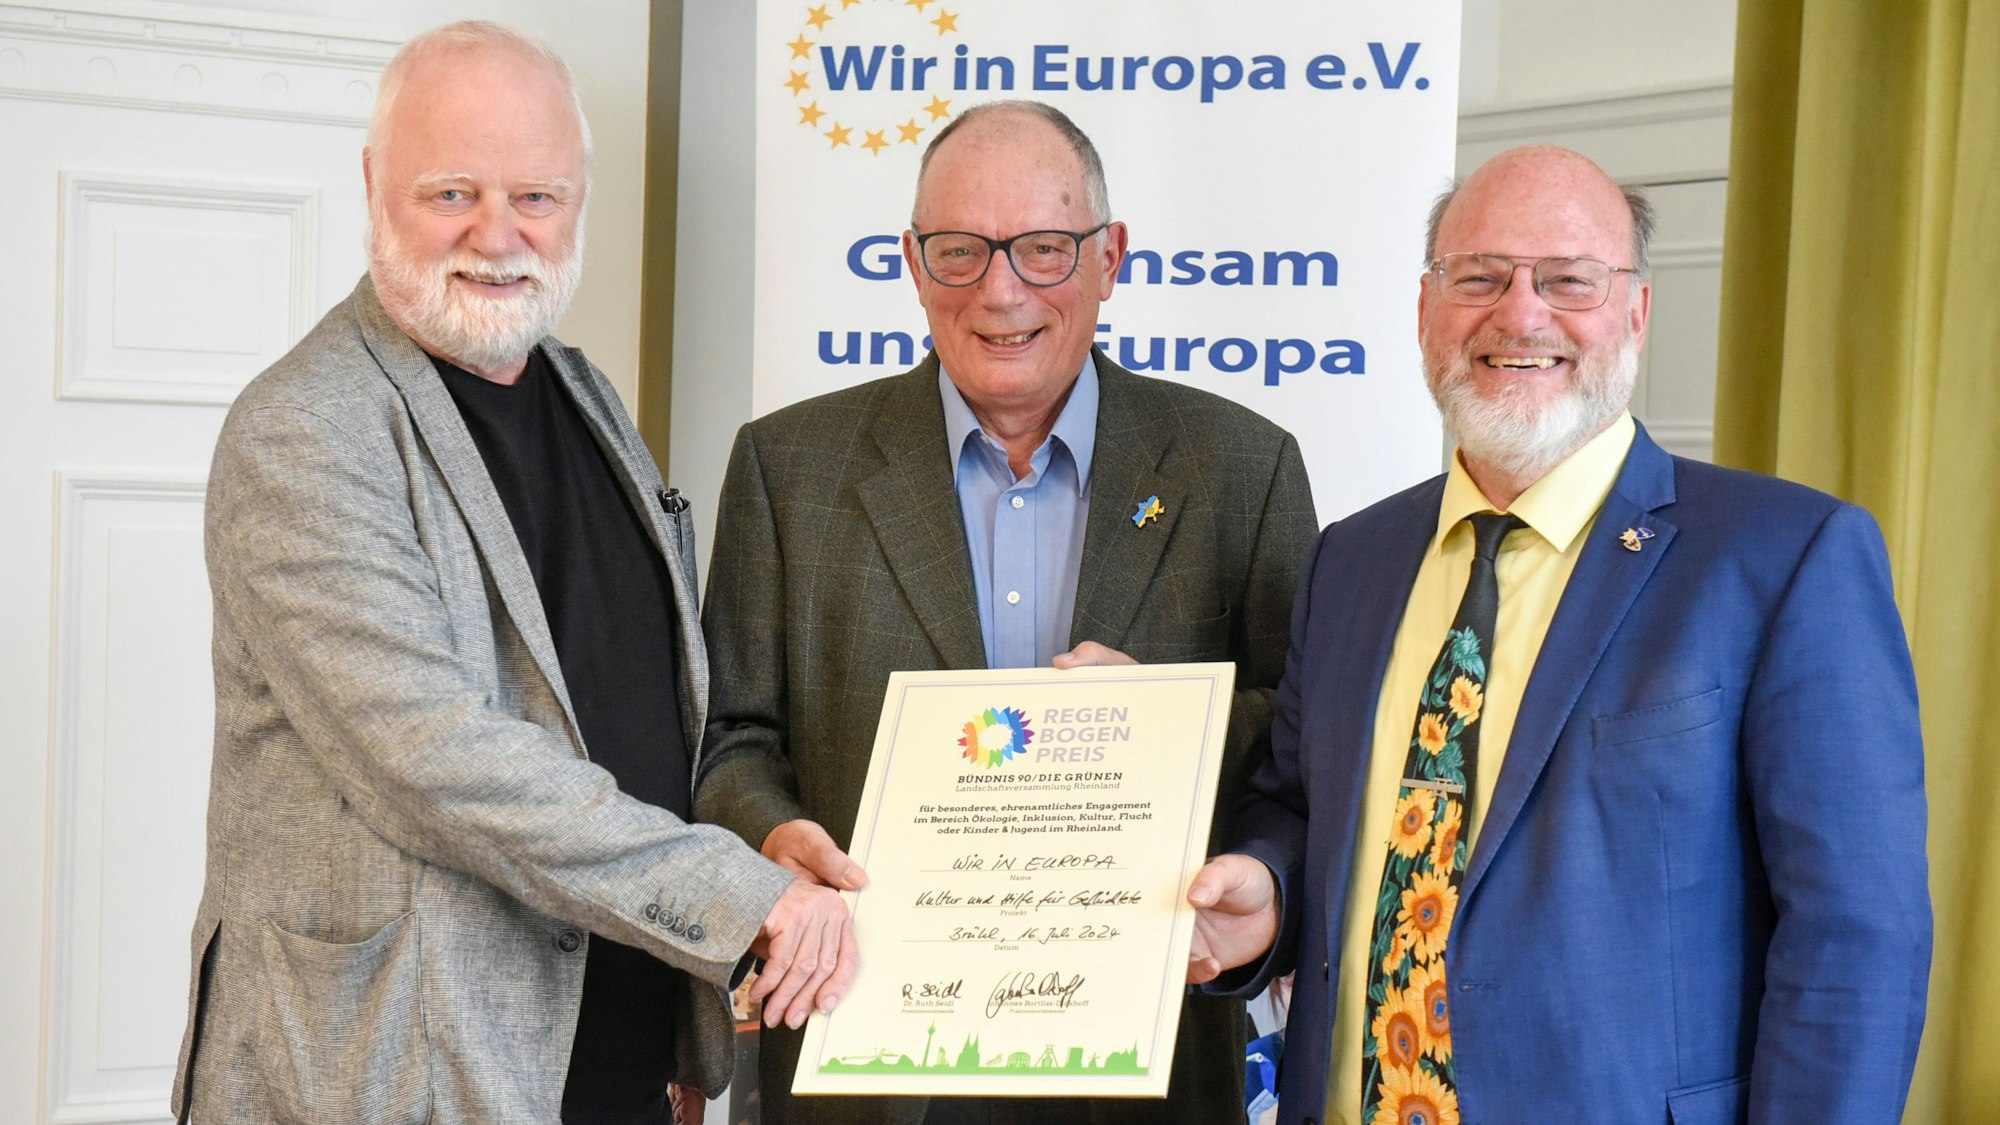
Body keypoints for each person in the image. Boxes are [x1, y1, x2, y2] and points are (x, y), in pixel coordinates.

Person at [172, 22, 855, 1125]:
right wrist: (744, 899)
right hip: (387, 1066)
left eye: (537, 196)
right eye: (452, 192)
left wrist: (690, 998)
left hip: (609, 1040)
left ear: (580, 198)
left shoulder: (585, 397)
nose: (498, 235)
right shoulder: (305, 430)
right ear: (371, 183)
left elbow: (636, 708)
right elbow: (435, 758)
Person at [1185, 144, 1931, 1124]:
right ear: (1423, 309)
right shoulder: (1351, 559)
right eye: (1479, 277)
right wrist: (1265, 888)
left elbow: (1854, 942)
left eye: (1565, 281)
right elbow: (1298, 806)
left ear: (1634, 312)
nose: (1518, 313)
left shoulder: (1783, 559)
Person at [695, 100, 1319, 1124]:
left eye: (1042, 248)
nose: (999, 290)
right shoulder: (786, 466)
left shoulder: (1241, 468)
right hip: (872, 1046)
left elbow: (1302, 749)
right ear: (908, 260)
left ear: (1109, 256)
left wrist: (1169, 721)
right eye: (958, 251)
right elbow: (730, 740)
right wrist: (772, 840)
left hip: (1146, 1051)